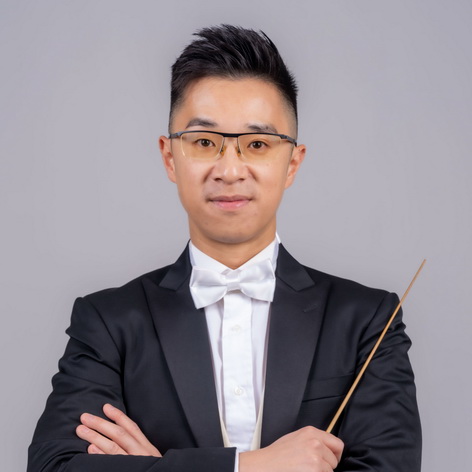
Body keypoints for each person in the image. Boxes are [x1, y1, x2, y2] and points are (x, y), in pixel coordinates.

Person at [27, 25, 421, 472]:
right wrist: (250, 466)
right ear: (169, 157)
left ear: (292, 163)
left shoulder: (368, 320)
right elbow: (54, 467)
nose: (230, 171)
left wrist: (163, 467)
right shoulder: (108, 322)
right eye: (204, 142)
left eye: (257, 144)